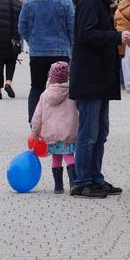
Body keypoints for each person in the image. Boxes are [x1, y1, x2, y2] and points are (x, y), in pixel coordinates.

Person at [69, 0, 130, 199]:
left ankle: (95, 177)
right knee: (88, 133)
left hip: (100, 78)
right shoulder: (89, 0)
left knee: (101, 132)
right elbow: (86, 35)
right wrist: (117, 36)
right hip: (89, 77)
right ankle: (82, 181)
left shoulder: (100, 0)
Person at [18, 0, 74, 121]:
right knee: (61, 89)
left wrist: (33, 42)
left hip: (38, 53)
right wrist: (70, 45)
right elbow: (72, 28)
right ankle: (60, 121)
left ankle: (34, 122)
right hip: (61, 53)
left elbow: (22, 28)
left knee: (36, 87)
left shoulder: (28, 2)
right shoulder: (65, 2)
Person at [30, 61, 78, 194]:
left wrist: (34, 133)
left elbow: (37, 117)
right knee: (69, 156)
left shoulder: (45, 95)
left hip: (51, 134)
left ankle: (58, 186)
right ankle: (74, 184)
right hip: (68, 133)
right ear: (67, 76)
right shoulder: (72, 93)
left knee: (56, 158)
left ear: (50, 77)